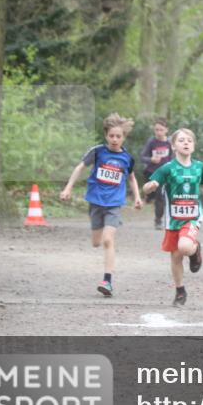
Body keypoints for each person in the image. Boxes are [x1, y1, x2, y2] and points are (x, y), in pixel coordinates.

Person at [60, 113, 144, 297]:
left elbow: (131, 178)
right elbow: (80, 167)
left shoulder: (127, 158)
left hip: (114, 204)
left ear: (124, 137)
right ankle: (106, 271)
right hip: (95, 202)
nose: (115, 139)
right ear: (106, 135)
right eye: (111, 136)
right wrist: (68, 188)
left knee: (108, 239)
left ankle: (107, 281)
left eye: (118, 136)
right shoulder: (97, 152)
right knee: (96, 242)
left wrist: (137, 197)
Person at [143, 128, 203, 306]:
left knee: (185, 247)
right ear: (173, 146)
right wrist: (151, 186)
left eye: (189, 140)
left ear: (193, 146)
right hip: (173, 219)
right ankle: (180, 291)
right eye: (181, 140)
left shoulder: (199, 166)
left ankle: (195, 251)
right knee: (176, 257)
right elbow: (148, 186)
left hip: (193, 216)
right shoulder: (167, 169)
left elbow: (202, 185)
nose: (186, 143)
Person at [139, 117, 172, 229]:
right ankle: (147, 197)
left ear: (166, 130)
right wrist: (151, 159)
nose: (158, 132)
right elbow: (142, 157)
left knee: (160, 196)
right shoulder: (151, 142)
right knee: (152, 194)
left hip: (163, 175)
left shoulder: (169, 143)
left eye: (161, 130)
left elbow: (173, 158)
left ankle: (158, 220)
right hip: (151, 173)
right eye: (156, 130)